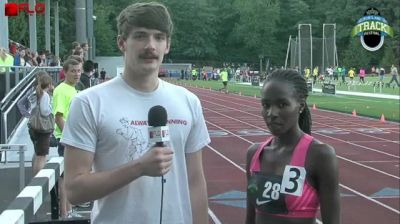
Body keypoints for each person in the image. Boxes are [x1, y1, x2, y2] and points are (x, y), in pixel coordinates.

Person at [62, 2, 210, 224]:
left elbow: (195, 181)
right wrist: (139, 167)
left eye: (159, 37)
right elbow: (74, 190)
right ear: (122, 42)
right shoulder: (88, 102)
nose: (150, 46)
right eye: (140, 36)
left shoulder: (188, 102)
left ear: (167, 45)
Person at [246, 69, 340, 224]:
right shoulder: (254, 154)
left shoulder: (320, 156)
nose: (272, 113)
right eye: (266, 105)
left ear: (301, 106)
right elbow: (250, 218)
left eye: (282, 104)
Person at [52, 58, 82, 218]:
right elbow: (58, 117)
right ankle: (64, 213)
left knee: (69, 176)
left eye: (79, 70)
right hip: (66, 140)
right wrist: (68, 138)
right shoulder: (61, 90)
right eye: (73, 71)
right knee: (64, 178)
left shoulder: (73, 89)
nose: (77, 74)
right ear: (65, 72)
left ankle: (69, 210)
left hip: (71, 139)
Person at [27, 71, 54, 176]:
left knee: (37, 153)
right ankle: (38, 180)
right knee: (42, 156)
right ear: (49, 84)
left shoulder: (35, 93)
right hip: (43, 128)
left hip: (34, 126)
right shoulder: (45, 95)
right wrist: (52, 107)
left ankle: (34, 176)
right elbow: (44, 111)